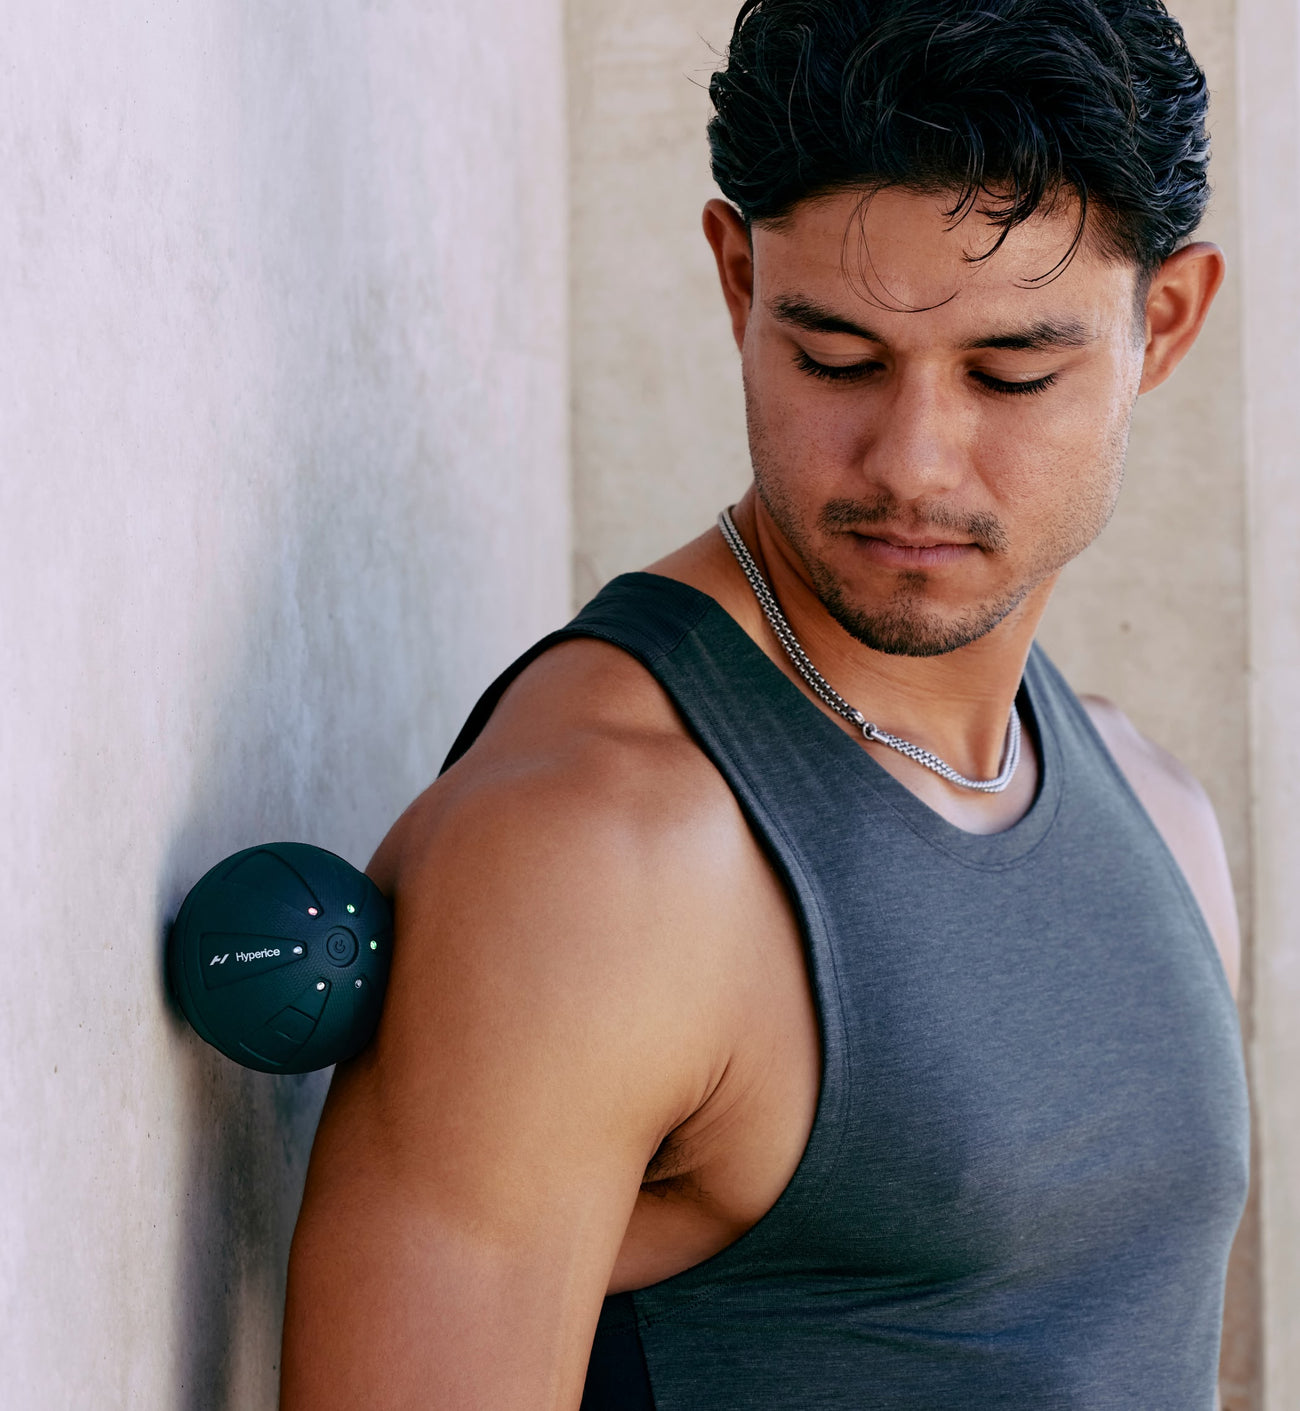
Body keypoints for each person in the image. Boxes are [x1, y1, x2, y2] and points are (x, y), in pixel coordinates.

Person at [281, 1, 1249, 1406]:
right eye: (837, 360)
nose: (914, 462)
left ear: (1161, 326)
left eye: (1011, 372)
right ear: (738, 285)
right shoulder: (597, 855)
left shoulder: (1154, 806)